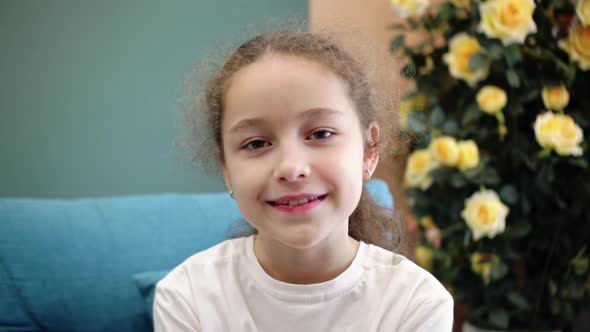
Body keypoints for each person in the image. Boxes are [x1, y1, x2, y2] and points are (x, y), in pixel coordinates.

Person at [153, 29, 453, 331]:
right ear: (226, 168)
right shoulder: (187, 297)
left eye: (321, 134)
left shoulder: (417, 303)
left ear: (368, 150)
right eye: (257, 143)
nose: (291, 168)